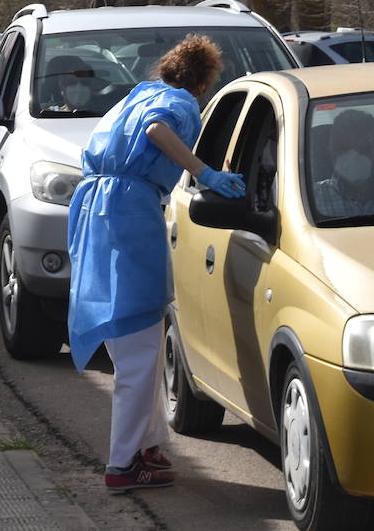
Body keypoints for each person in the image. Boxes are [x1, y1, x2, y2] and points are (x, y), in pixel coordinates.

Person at [66, 34, 247, 494]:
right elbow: (157, 131)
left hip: (99, 212)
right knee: (138, 353)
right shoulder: (181, 104)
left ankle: (149, 444)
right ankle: (122, 464)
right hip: (128, 217)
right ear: (204, 80)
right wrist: (204, 173)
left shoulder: (139, 93)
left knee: (135, 344)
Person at [313, 109, 374, 218]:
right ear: (331, 153)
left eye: (363, 149)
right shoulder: (308, 201)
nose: (353, 157)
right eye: (344, 149)